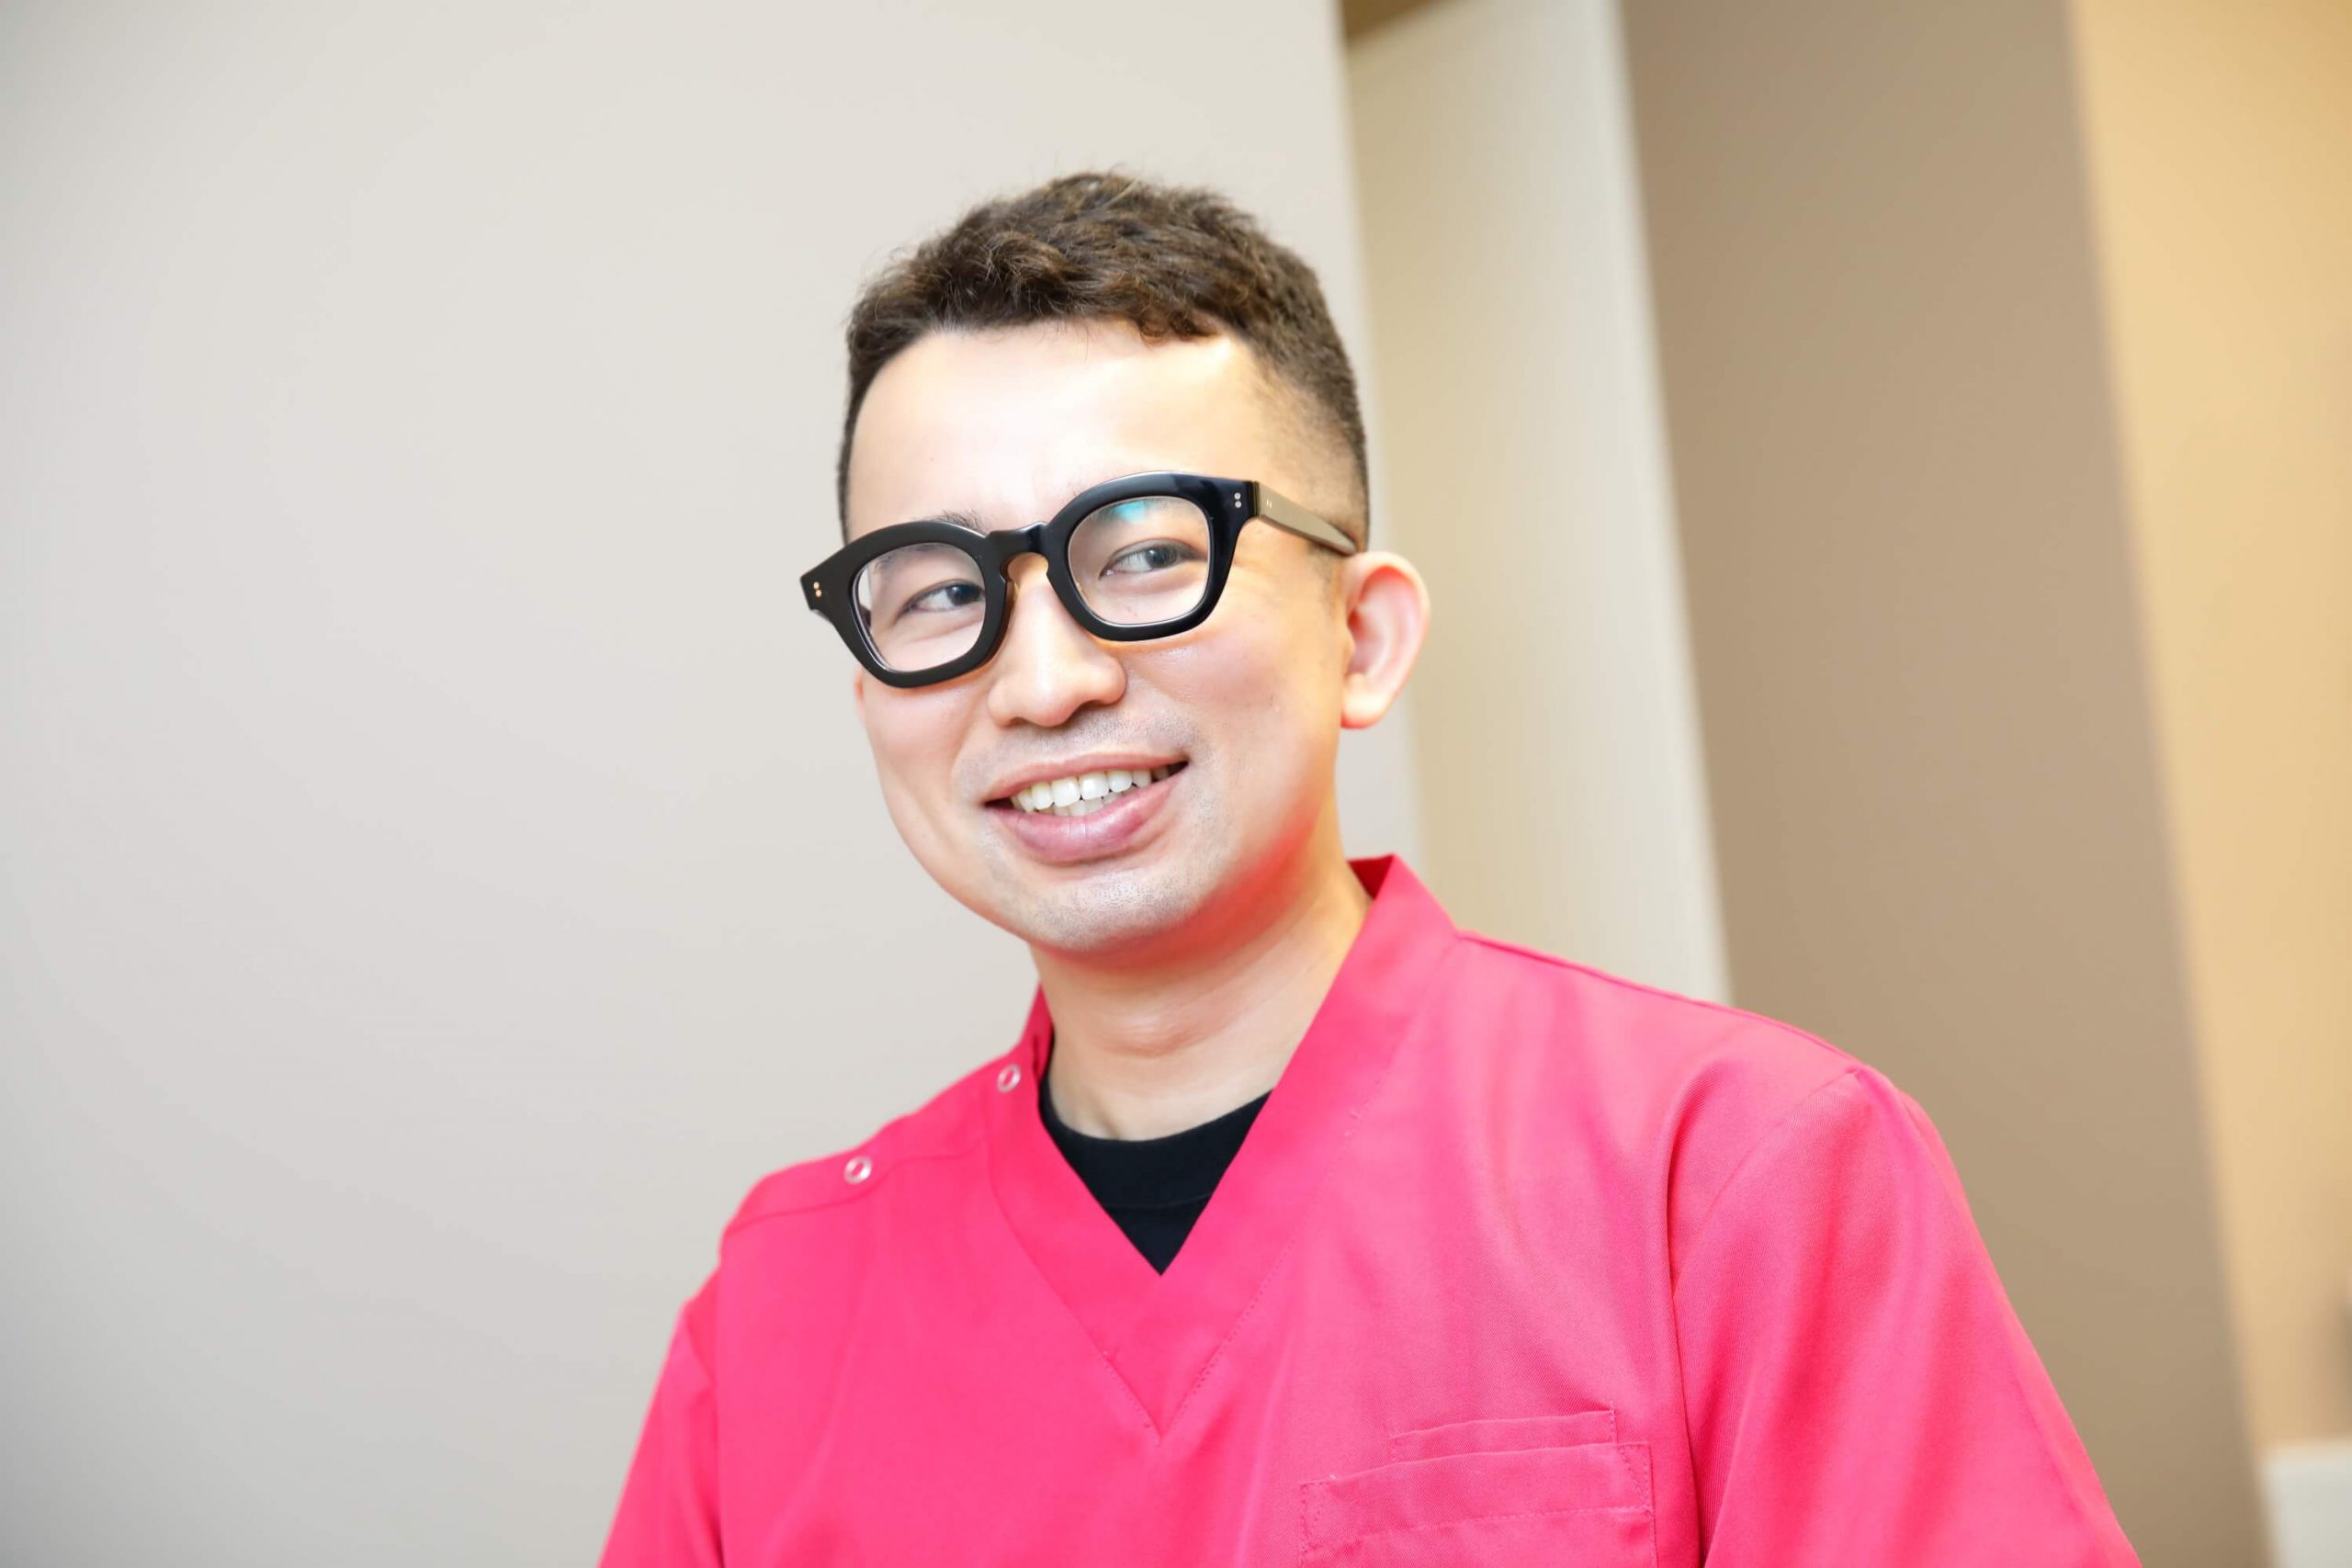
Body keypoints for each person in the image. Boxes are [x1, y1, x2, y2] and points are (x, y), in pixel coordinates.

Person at [600, 170, 2140, 1566]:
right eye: (940, 591)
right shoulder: (780, 1311)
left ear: (1363, 635)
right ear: (872, 691)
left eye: (1145, 554)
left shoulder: (1735, 1172)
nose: (1046, 681)